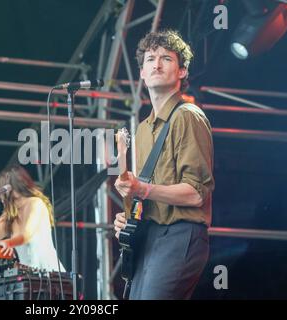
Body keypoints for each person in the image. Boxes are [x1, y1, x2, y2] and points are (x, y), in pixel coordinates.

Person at [113, 30, 215, 300]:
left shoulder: (188, 117)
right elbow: (145, 194)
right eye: (150, 59)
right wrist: (128, 218)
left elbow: (196, 193)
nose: (156, 64)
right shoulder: (142, 130)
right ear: (142, 74)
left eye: (166, 58)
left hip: (180, 234)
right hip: (149, 236)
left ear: (182, 71)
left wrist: (143, 190)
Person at [0, 164, 65, 272]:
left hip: (49, 272)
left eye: (0, 186)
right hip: (26, 276)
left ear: (8, 188)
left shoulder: (36, 203)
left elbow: (26, 234)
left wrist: (8, 242)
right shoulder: (9, 215)